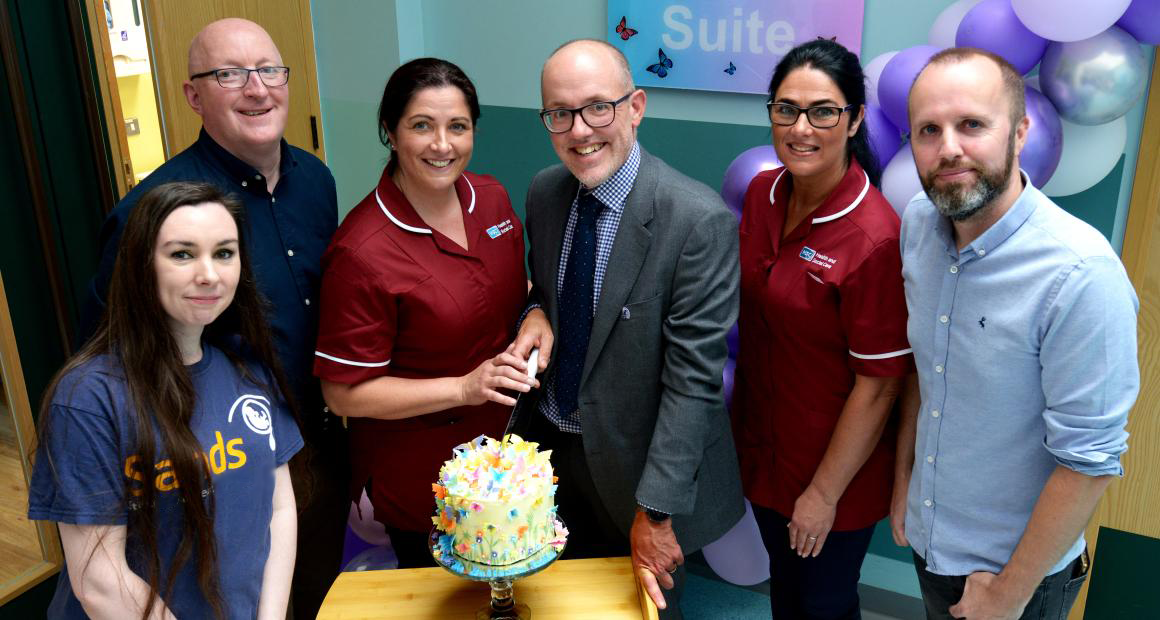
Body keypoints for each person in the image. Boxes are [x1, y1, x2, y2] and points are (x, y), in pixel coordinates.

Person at [78, 18, 344, 617]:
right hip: (218, 463)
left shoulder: (316, 181)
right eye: (229, 74)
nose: (257, 89)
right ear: (193, 95)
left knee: (316, 595)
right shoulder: (153, 214)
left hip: (317, 442)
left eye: (269, 70)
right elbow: (108, 358)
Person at [894, 47, 1139, 620]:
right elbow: (925, 367)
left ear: (1021, 132)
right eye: (929, 129)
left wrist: (1008, 595)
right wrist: (904, 478)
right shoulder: (917, 226)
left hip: (1013, 577)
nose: (948, 147)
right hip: (933, 543)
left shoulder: (1080, 274)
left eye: (972, 124)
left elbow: (1090, 460)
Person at [511, 39, 743, 617]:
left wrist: (657, 512)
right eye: (559, 114)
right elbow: (547, 291)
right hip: (553, 456)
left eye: (598, 107)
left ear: (636, 106)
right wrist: (533, 312)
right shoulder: (545, 191)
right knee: (554, 605)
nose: (580, 130)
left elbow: (692, 383)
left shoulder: (696, 220)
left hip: (642, 478)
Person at [29, 182, 301, 619]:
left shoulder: (247, 369)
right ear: (141, 266)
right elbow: (99, 580)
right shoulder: (87, 397)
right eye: (182, 254)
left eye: (224, 253)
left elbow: (279, 507)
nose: (209, 274)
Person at [313, 58, 536, 568]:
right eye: (421, 126)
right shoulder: (361, 251)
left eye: (457, 127)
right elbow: (342, 393)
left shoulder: (493, 200)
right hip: (425, 477)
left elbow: (503, 289)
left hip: (509, 456)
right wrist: (463, 387)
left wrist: (537, 311)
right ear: (390, 132)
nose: (442, 145)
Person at [729, 39, 914, 620]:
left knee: (824, 604)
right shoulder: (764, 192)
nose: (800, 128)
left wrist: (823, 493)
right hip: (765, 450)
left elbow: (881, 383)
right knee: (786, 593)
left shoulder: (874, 237)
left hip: (834, 473)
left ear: (855, 118)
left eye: (823, 111)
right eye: (785, 109)